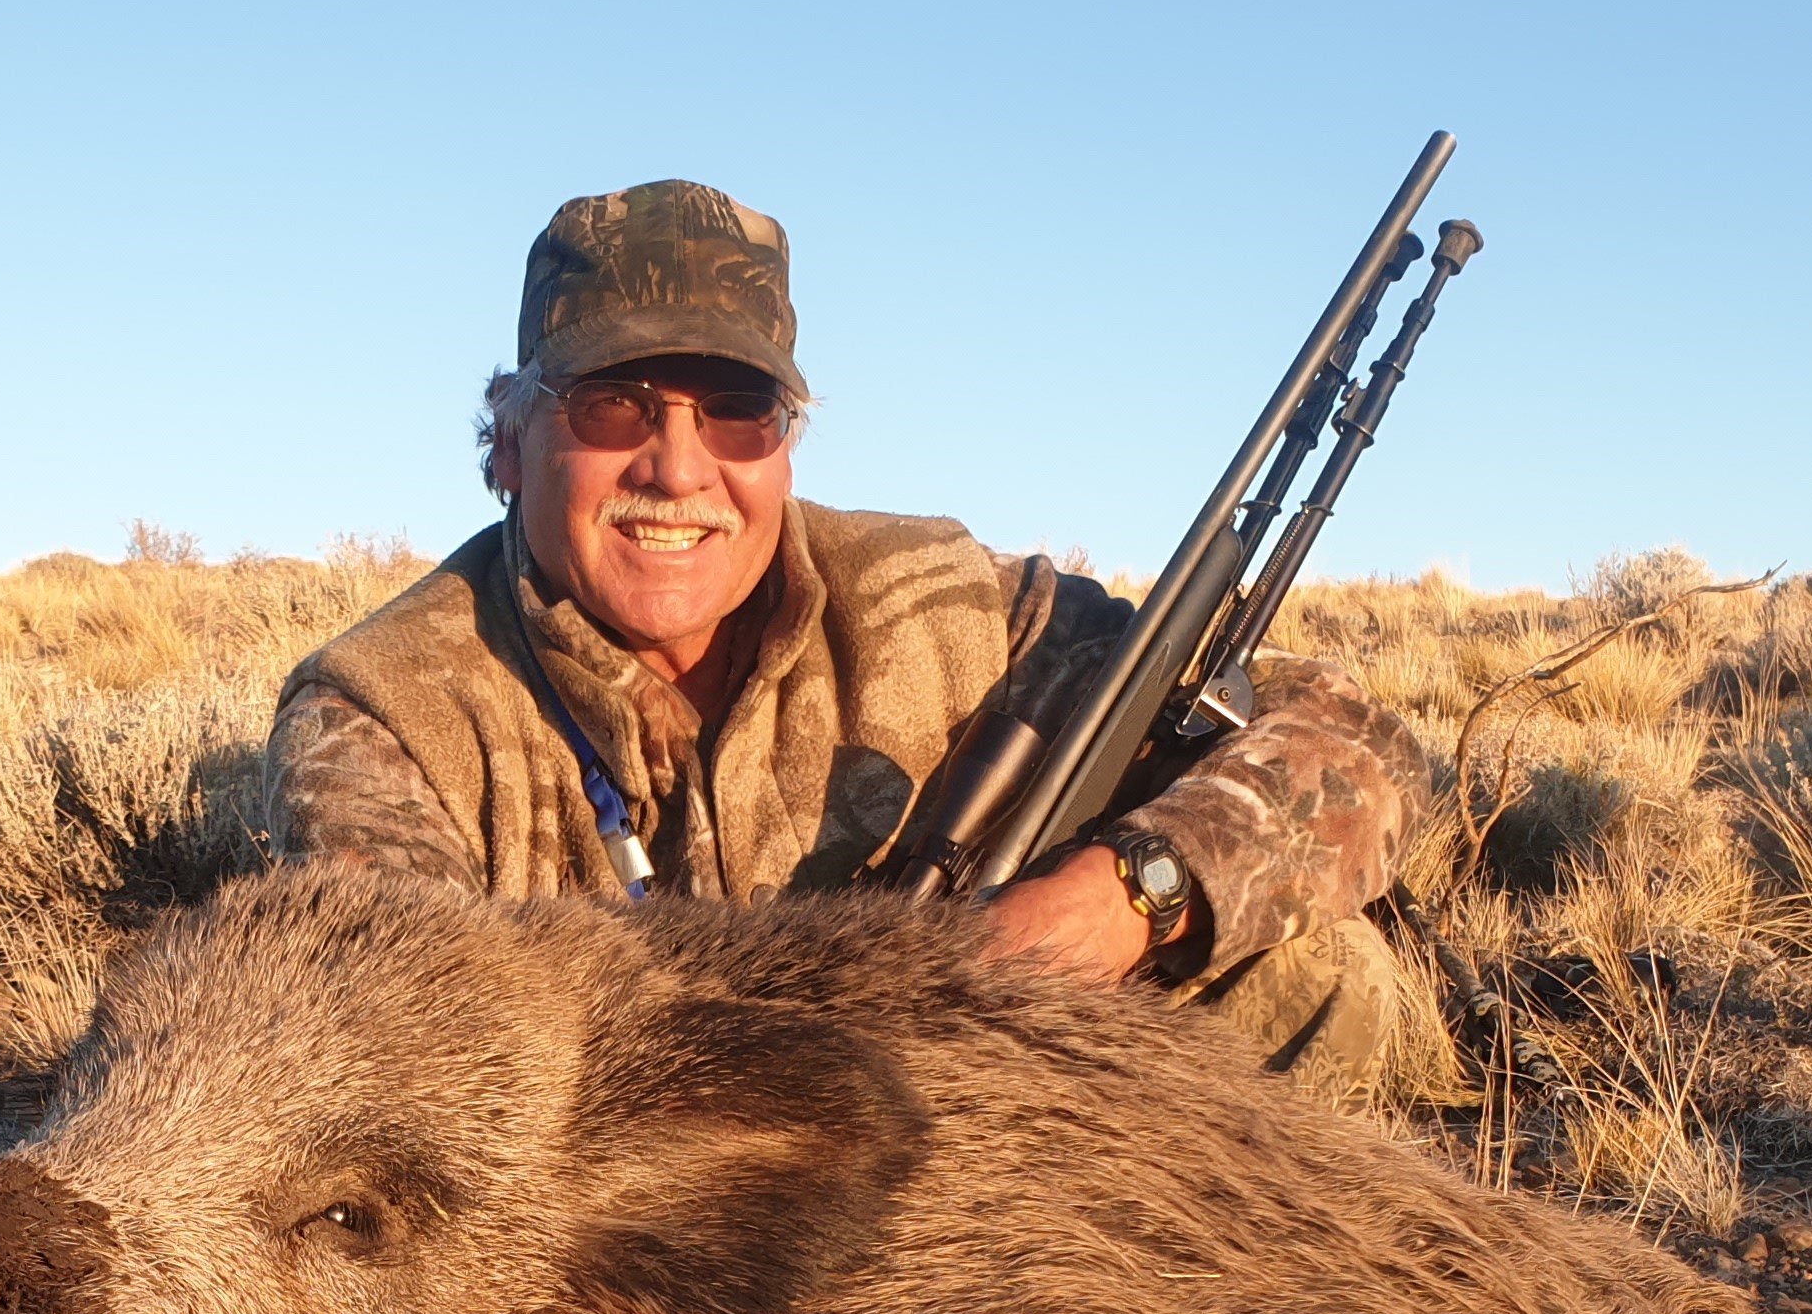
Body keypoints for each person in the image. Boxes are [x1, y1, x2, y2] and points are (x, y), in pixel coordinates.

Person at [267, 178, 1435, 1064]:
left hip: (996, 1149)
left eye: (737, 413)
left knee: (1326, 976)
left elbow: (1366, 747)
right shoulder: (381, 714)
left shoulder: (939, 596)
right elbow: (417, 1060)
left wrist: (1136, 889)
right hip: (632, 1233)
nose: (677, 470)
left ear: (785, 447)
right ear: (510, 446)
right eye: (614, 404)